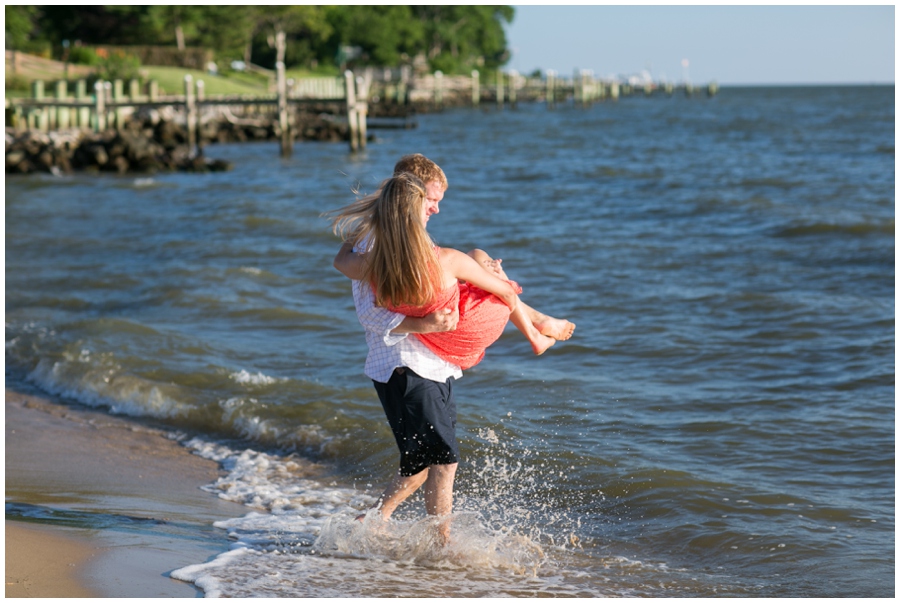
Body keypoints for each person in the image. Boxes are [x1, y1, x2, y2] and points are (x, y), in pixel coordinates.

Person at [329, 155, 574, 538]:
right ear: (408, 193)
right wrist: (426, 322)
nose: (437, 208)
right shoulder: (375, 241)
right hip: (404, 365)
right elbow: (371, 314)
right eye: (431, 199)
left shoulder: (411, 238)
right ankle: (441, 548)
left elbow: (426, 288)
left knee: (420, 465)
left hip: (433, 361)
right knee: (444, 462)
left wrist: (478, 281)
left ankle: (372, 523)